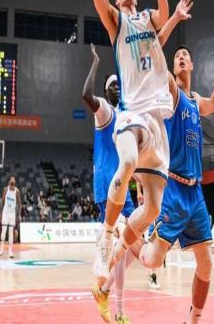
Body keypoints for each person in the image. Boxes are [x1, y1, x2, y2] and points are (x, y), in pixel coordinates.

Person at [76, 0, 195, 287]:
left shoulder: (147, 20)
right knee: (126, 162)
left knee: (152, 209)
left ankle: (112, 260)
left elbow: (163, 18)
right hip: (133, 114)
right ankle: (105, 238)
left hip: (158, 122)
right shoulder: (117, 22)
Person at [136, 42, 214, 324]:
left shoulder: (196, 100)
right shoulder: (172, 93)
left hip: (195, 192)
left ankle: (193, 320)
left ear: (191, 65)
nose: (180, 58)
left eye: (185, 56)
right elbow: (161, 70)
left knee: (207, 264)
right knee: (153, 260)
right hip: (173, 189)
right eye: (177, 56)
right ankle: (130, 238)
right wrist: (152, 39)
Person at [82, 44, 137, 324]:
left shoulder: (126, 117)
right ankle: (120, 311)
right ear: (106, 93)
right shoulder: (105, 111)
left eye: (119, 85)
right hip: (107, 185)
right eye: (112, 86)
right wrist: (95, 63)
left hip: (124, 184)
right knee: (123, 245)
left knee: (136, 245)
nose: (117, 88)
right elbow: (85, 95)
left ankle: (102, 290)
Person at [0, 176, 21, 259]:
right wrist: (0, 213)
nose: (12, 180)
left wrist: (18, 214)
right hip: (5, 212)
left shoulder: (17, 191)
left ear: (15, 182)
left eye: (13, 179)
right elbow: (2, 201)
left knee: (11, 233)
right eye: (11, 179)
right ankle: (1, 248)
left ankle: (10, 252)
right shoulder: (5, 189)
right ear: (9, 181)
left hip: (12, 213)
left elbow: (19, 203)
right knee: (3, 231)